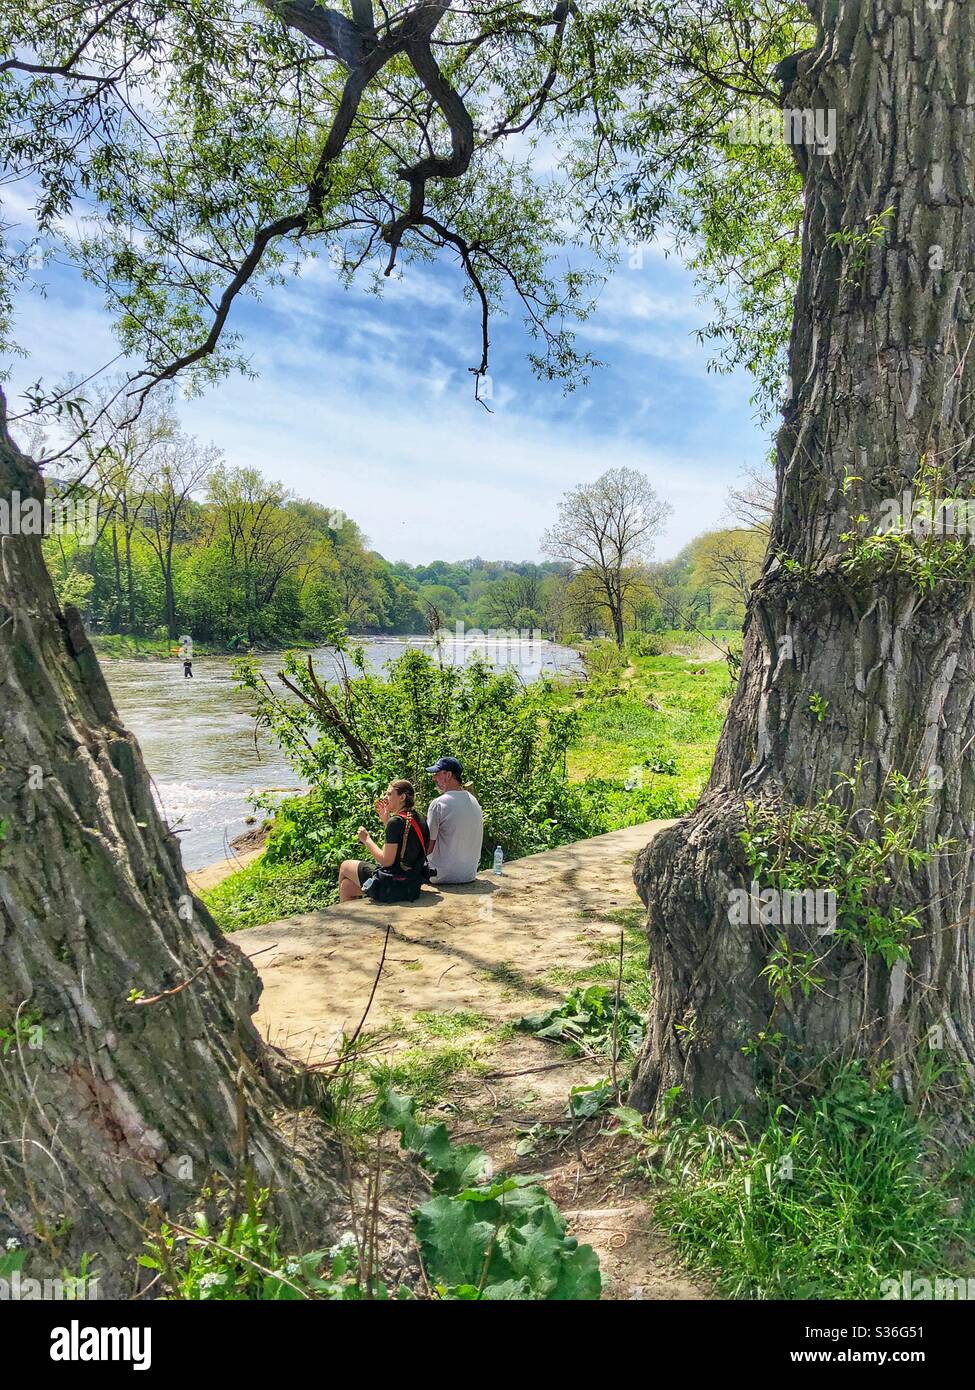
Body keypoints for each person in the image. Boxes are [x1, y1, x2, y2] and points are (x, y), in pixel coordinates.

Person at [338, 779, 430, 903]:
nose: (385, 797)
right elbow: (403, 845)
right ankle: (347, 921)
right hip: (412, 884)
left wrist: (366, 839)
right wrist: (386, 820)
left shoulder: (396, 822)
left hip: (393, 884)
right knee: (346, 886)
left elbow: (386, 861)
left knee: (345, 866)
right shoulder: (419, 818)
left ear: (402, 797)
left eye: (389, 794)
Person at [425, 756, 483, 885]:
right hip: (469, 874)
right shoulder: (473, 801)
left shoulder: (439, 803)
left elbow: (428, 846)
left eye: (437, 774)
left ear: (448, 775)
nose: (434, 778)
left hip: (441, 875)